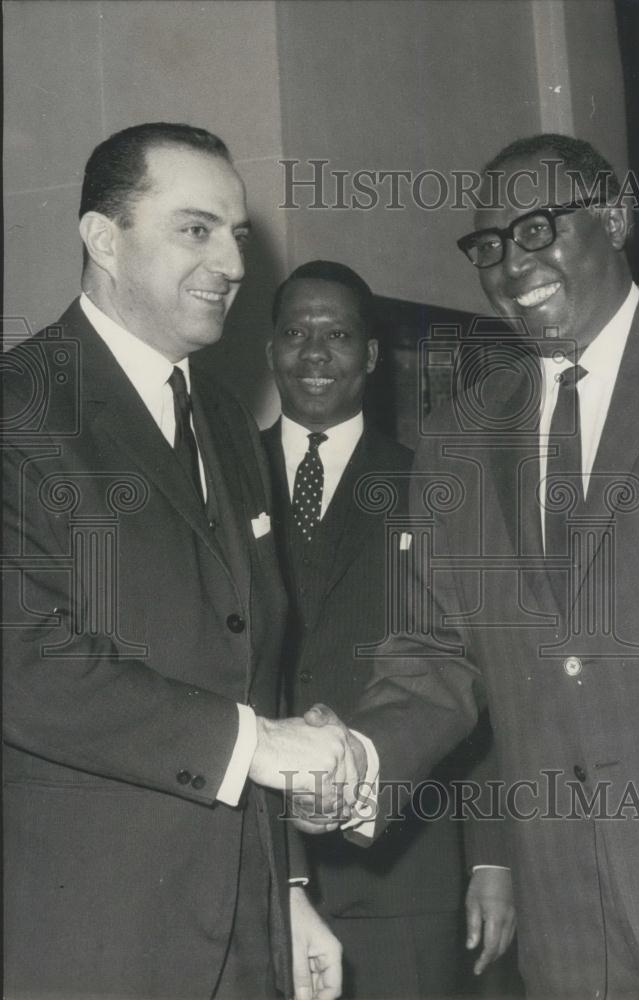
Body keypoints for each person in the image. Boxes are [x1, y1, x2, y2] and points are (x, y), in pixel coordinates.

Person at [303, 135, 639, 999]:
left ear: (616, 217)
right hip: (569, 937)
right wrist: (360, 759)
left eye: (538, 228)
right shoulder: (458, 438)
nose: (513, 265)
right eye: (488, 246)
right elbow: (436, 653)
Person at [2, 122, 352, 1000]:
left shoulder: (229, 420)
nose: (232, 263)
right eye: (196, 229)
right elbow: (24, 663)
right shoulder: (21, 407)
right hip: (90, 942)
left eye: (235, 234)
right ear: (102, 239)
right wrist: (261, 746)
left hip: (246, 930)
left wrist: (291, 889)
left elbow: (251, 656)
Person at [262, 260, 514, 998]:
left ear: (371, 355)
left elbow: (478, 675)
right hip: (257, 866)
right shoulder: (219, 480)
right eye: (294, 334)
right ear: (270, 348)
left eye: (337, 334)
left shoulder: (433, 485)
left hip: (406, 867)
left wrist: (490, 859)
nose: (314, 354)